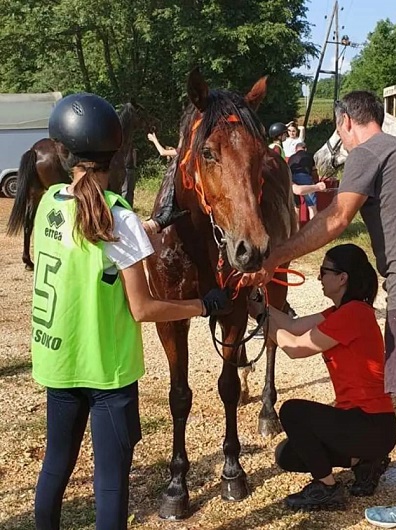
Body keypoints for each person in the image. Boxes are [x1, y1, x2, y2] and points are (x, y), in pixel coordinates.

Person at [240, 91, 396, 530]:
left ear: (347, 121)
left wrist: (274, 255)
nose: (341, 137)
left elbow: (334, 220)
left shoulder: (368, 152)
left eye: (338, 129)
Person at [32, 93, 232, 530]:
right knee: (109, 484)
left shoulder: (49, 205)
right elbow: (142, 308)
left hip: (57, 365)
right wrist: (202, 304)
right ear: (117, 156)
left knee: (54, 468)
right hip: (108, 371)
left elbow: (90, 248)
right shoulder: (117, 217)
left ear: (63, 153)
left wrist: (151, 227)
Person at [249, 244, 396, 510]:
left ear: (343, 278)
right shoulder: (342, 312)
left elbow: (295, 348)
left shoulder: (353, 314)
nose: (319, 278)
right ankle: (366, 462)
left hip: (370, 424)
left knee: (293, 412)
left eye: (324, 271)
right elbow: (292, 325)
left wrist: (262, 318)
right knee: (288, 455)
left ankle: (327, 488)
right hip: (363, 425)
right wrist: (257, 303)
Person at [288, 142, 324, 219]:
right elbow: (314, 172)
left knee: (296, 207)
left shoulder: (291, 158)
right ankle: (313, 228)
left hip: (291, 179)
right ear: (305, 149)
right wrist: (317, 184)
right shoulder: (310, 155)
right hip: (305, 177)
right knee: (312, 207)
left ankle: (296, 230)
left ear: (296, 150)